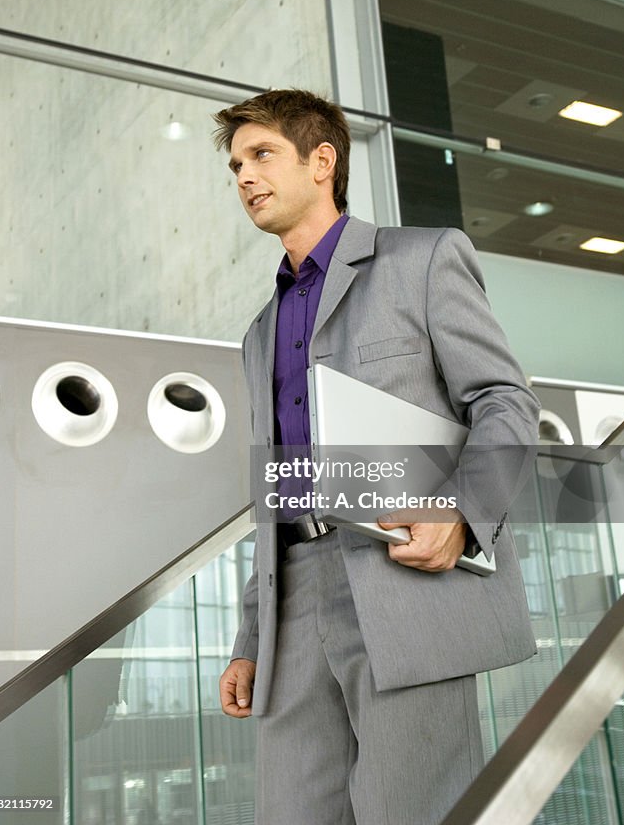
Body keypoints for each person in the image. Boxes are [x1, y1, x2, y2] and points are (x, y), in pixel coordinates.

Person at [214, 89, 539, 825]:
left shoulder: (422, 259)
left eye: (261, 154)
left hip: (404, 584)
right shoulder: (258, 331)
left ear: (321, 159)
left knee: (414, 811)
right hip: (292, 596)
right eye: (235, 164)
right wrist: (251, 636)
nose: (244, 177)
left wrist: (461, 509)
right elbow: (278, 486)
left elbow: (504, 402)